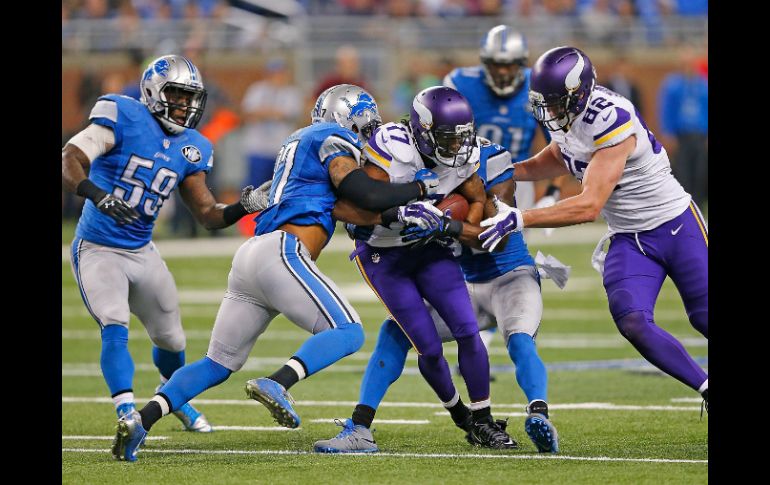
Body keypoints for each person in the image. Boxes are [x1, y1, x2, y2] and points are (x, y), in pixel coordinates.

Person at [111, 84, 444, 462]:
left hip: (252, 255)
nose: (371, 136)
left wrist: (399, 213)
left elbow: (354, 210)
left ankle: (141, 419)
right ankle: (279, 382)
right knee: (348, 331)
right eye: (368, 125)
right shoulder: (330, 138)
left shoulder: (300, 143)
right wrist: (417, 189)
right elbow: (364, 193)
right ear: (351, 117)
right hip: (283, 253)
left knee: (216, 364)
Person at [477, 46, 708, 411]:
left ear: (579, 93)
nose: (550, 112)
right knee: (632, 320)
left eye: (556, 103)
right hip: (630, 237)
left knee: (704, 316)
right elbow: (558, 156)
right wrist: (510, 170)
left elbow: (589, 204)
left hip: (674, 225)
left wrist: (521, 217)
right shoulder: (571, 115)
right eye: (546, 103)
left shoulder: (611, 118)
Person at [315, 132, 562, 454]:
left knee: (518, 338)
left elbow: (495, 237)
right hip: (465, 279)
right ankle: (366, 423)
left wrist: (446, 224)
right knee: (397, 331)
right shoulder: (414, 160)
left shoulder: (488, 162)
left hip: (510, 275)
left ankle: (539, 413)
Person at [62, 55, 263, 434]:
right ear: (154, 91)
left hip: (143, 250)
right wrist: (97, 195)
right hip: (98, 247)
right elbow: (70, 158)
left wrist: (244, 206)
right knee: (114, 321)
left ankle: (174, 399)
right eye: (176, 95)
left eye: (190, 98)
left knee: (172, 338)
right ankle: (126, 414)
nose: (184, 105)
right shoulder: (122, 113)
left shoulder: (193, 146)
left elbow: (206, 213)